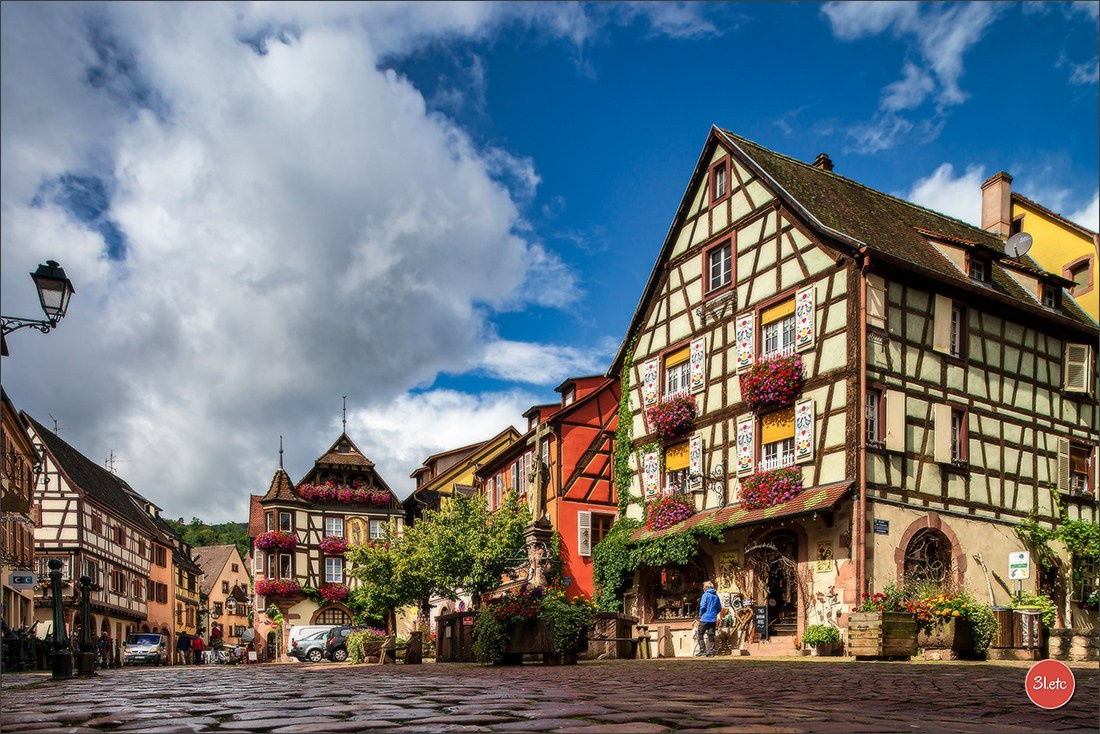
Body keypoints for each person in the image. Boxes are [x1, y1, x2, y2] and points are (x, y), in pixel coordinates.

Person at [696, 580, 722, 657]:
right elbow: (719, 608)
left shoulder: (705, 595)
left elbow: (703, 606)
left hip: (704, 618)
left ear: (706, 587)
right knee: (711, 635)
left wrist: (701, 614)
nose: (703, 588)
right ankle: (712, 651)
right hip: (712, 618)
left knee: (700, 634)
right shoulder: (716, 596)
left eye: (704, 587)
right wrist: (714, 614)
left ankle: (702, 650)